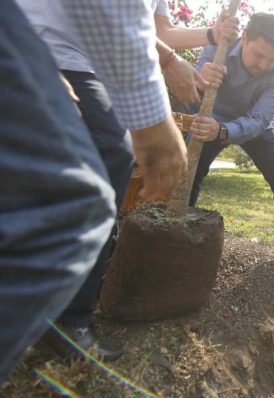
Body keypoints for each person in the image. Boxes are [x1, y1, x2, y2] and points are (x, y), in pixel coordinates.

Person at [1, 0, 187, 381]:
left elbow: (142, 25)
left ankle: (65, 317)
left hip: (64, 56)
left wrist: (180, 53)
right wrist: (153, 121)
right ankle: (66, 319)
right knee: (91, 190)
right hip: (47, 46)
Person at [187, 13, 274, 287]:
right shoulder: (217, 46)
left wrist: (224, 132)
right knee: (188, 174)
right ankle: (177, 245)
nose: (264, 65)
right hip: (213, 117)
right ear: (244, 39)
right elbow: (194, 94)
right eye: (259, 55)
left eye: (271, 59)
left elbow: (258, 120)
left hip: (256, 126)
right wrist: (200, 80)